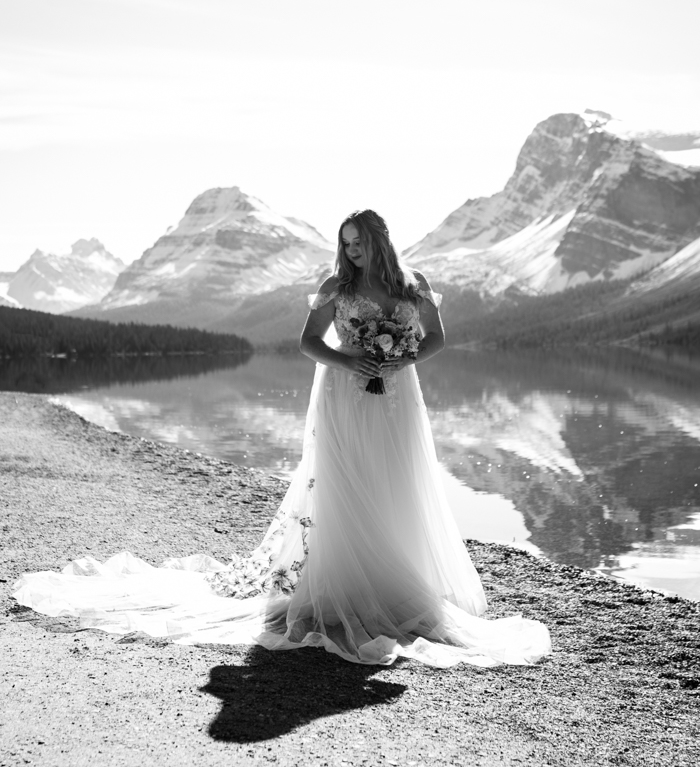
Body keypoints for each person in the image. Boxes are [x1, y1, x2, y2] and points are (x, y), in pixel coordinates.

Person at [13, 210, 550, 668]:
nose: (352, 252)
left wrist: (403, 357)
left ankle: (399, 585)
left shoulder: (414, 285)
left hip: (398, 398)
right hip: (344, 393)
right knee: (347, 482)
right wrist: (349, 356)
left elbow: (436, 338)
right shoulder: (335, 288)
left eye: (359, 243)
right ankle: (339, 590)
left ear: (379, 241)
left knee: (397, 480)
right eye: (346, 245)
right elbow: (307, 341)